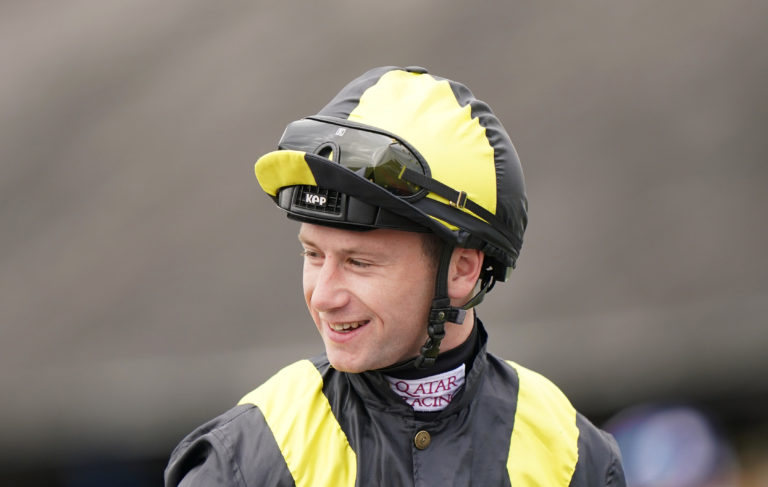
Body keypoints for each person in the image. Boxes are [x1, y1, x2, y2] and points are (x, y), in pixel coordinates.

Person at [164, 66, 626, 486]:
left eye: (359, 263)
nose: (324, 297)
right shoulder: (243, 461)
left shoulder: (575, 458)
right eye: (313, 255)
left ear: (463, 270)